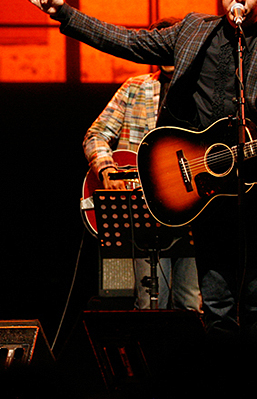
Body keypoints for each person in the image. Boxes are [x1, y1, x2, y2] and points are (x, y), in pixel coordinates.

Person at [23, 0, 257, 349]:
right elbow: (126, 41)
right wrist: (64, 13)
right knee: (216, 309)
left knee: (256, 308)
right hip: (203, 191)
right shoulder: (194, 31)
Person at [84, 17, 201, 312]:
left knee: (190, 302)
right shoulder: (134, 88)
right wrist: (106, 168)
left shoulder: (201, 93)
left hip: (190, 210)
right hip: (144, 211)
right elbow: (95, 134)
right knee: (150, 303)